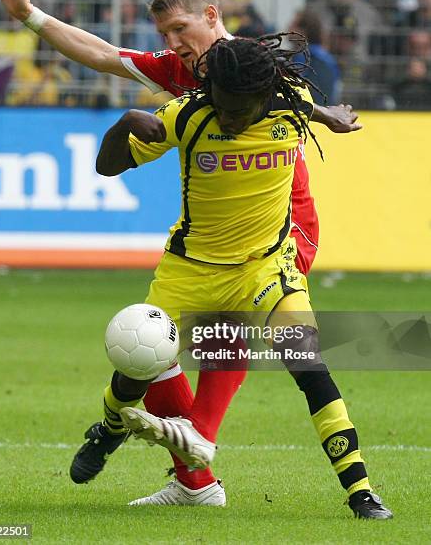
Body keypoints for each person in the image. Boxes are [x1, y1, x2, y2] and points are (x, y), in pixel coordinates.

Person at [0, 0, 362, 504]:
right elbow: (100, 53)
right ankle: (194, 479)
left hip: (284, 225)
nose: (172, 44)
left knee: (227, 328)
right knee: (152, 345)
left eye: (180, 29)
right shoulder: (177, 70)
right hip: (211, 231)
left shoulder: (256, 63)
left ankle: (197, 447)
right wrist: (28, 15)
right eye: (164, 35)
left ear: (213, 17)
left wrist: (328, 116)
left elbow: (301, 98)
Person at [94, 35, 392, 518]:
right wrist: (124, 124)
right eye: (224, 108)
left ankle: (361, 490)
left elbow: (297, 99)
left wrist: (327, 116)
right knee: (138, 359)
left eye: (241, 111)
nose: (231, 120)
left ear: (263, 98)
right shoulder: (187, 116)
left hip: (266, 268)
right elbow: (106, 169)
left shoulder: (291, 112)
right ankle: (111, 428)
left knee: (309, 366)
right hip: (190, 266)